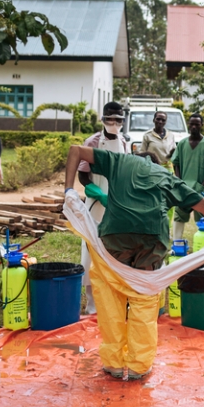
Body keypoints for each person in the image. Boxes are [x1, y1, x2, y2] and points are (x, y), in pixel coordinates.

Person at [64, 145, 204, 380]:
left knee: (110, 299)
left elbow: (75, 150)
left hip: (115, 241)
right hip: (152, 244)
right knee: (144, 301)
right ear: (157, 166)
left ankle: (114, 363)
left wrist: (68, 190)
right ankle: (138, 366)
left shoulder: (120, 161)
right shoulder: (167, 178)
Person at [78, 102, 131, 314]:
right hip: (96, 204)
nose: (114, 124)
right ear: (103, 120)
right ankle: (92, 304)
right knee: (91, 250)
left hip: (118, 204)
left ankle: (114, 298)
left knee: (116, 251)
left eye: (118, 120)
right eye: (110, 119)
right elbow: (82, 174)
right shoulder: (92, 142)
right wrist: (97, 193)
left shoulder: (125, 143)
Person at [172, 114, 204, 240]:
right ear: (188, 125)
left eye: (197, 124)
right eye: (191, 124)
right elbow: (176, 163)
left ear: (202, 125)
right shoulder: (182, 143)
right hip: (183, 188)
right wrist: (179, 182)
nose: (194, 127)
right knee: (179, 215)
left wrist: (203, 185)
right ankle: (176, 242)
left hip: (200, 188)